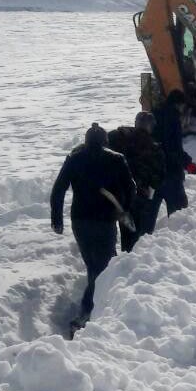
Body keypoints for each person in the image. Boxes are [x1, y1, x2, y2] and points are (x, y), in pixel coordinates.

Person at [50, 123, 136, 327]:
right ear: (105, 142)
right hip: (104, 220)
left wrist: (57, 219)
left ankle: (95, 308)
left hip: (80, 221)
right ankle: (88, 313)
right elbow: (131, 188)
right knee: (102, 267)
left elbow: (58, 190)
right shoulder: (116, 159)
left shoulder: (75, 159)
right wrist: (124, 209)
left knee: (93, 264)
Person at [107, 112, 166, 251]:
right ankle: (133, 261)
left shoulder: (121, 139)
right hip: (141, 197)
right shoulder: (154, 147)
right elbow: (159, 177)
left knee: (126, 232)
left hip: (121, 196)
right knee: (139, 236)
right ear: (150, 126)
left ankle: (125, 258)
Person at [153, 89, 192, 216]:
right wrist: (186, 161)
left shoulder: (155, 113)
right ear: (179, 104)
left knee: (149, 215)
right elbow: (173, 146)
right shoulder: (173, 117)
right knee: (180, 212)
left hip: (153, 171)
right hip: (171, 171)